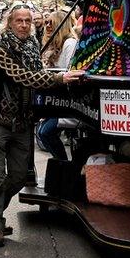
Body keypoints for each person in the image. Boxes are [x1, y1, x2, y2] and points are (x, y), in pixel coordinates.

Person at [0, 6, 83, 247]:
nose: (24, 25)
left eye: (27, 21)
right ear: (9, 23)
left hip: (22, 123)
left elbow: (36, 73)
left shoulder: (32, 48)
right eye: (18, 21)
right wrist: (58, 78)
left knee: (17, 177)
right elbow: (24, 76)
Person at [37, 9, 80, 161]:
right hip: (54, 100)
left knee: (45, 132)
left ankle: (63, 164)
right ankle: (63, 165)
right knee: (44, 133)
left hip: (68, 102)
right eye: (46, 22)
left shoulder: (70, 43)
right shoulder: (51, 45)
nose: (47, 26)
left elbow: (70, 71)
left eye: (51, 22)